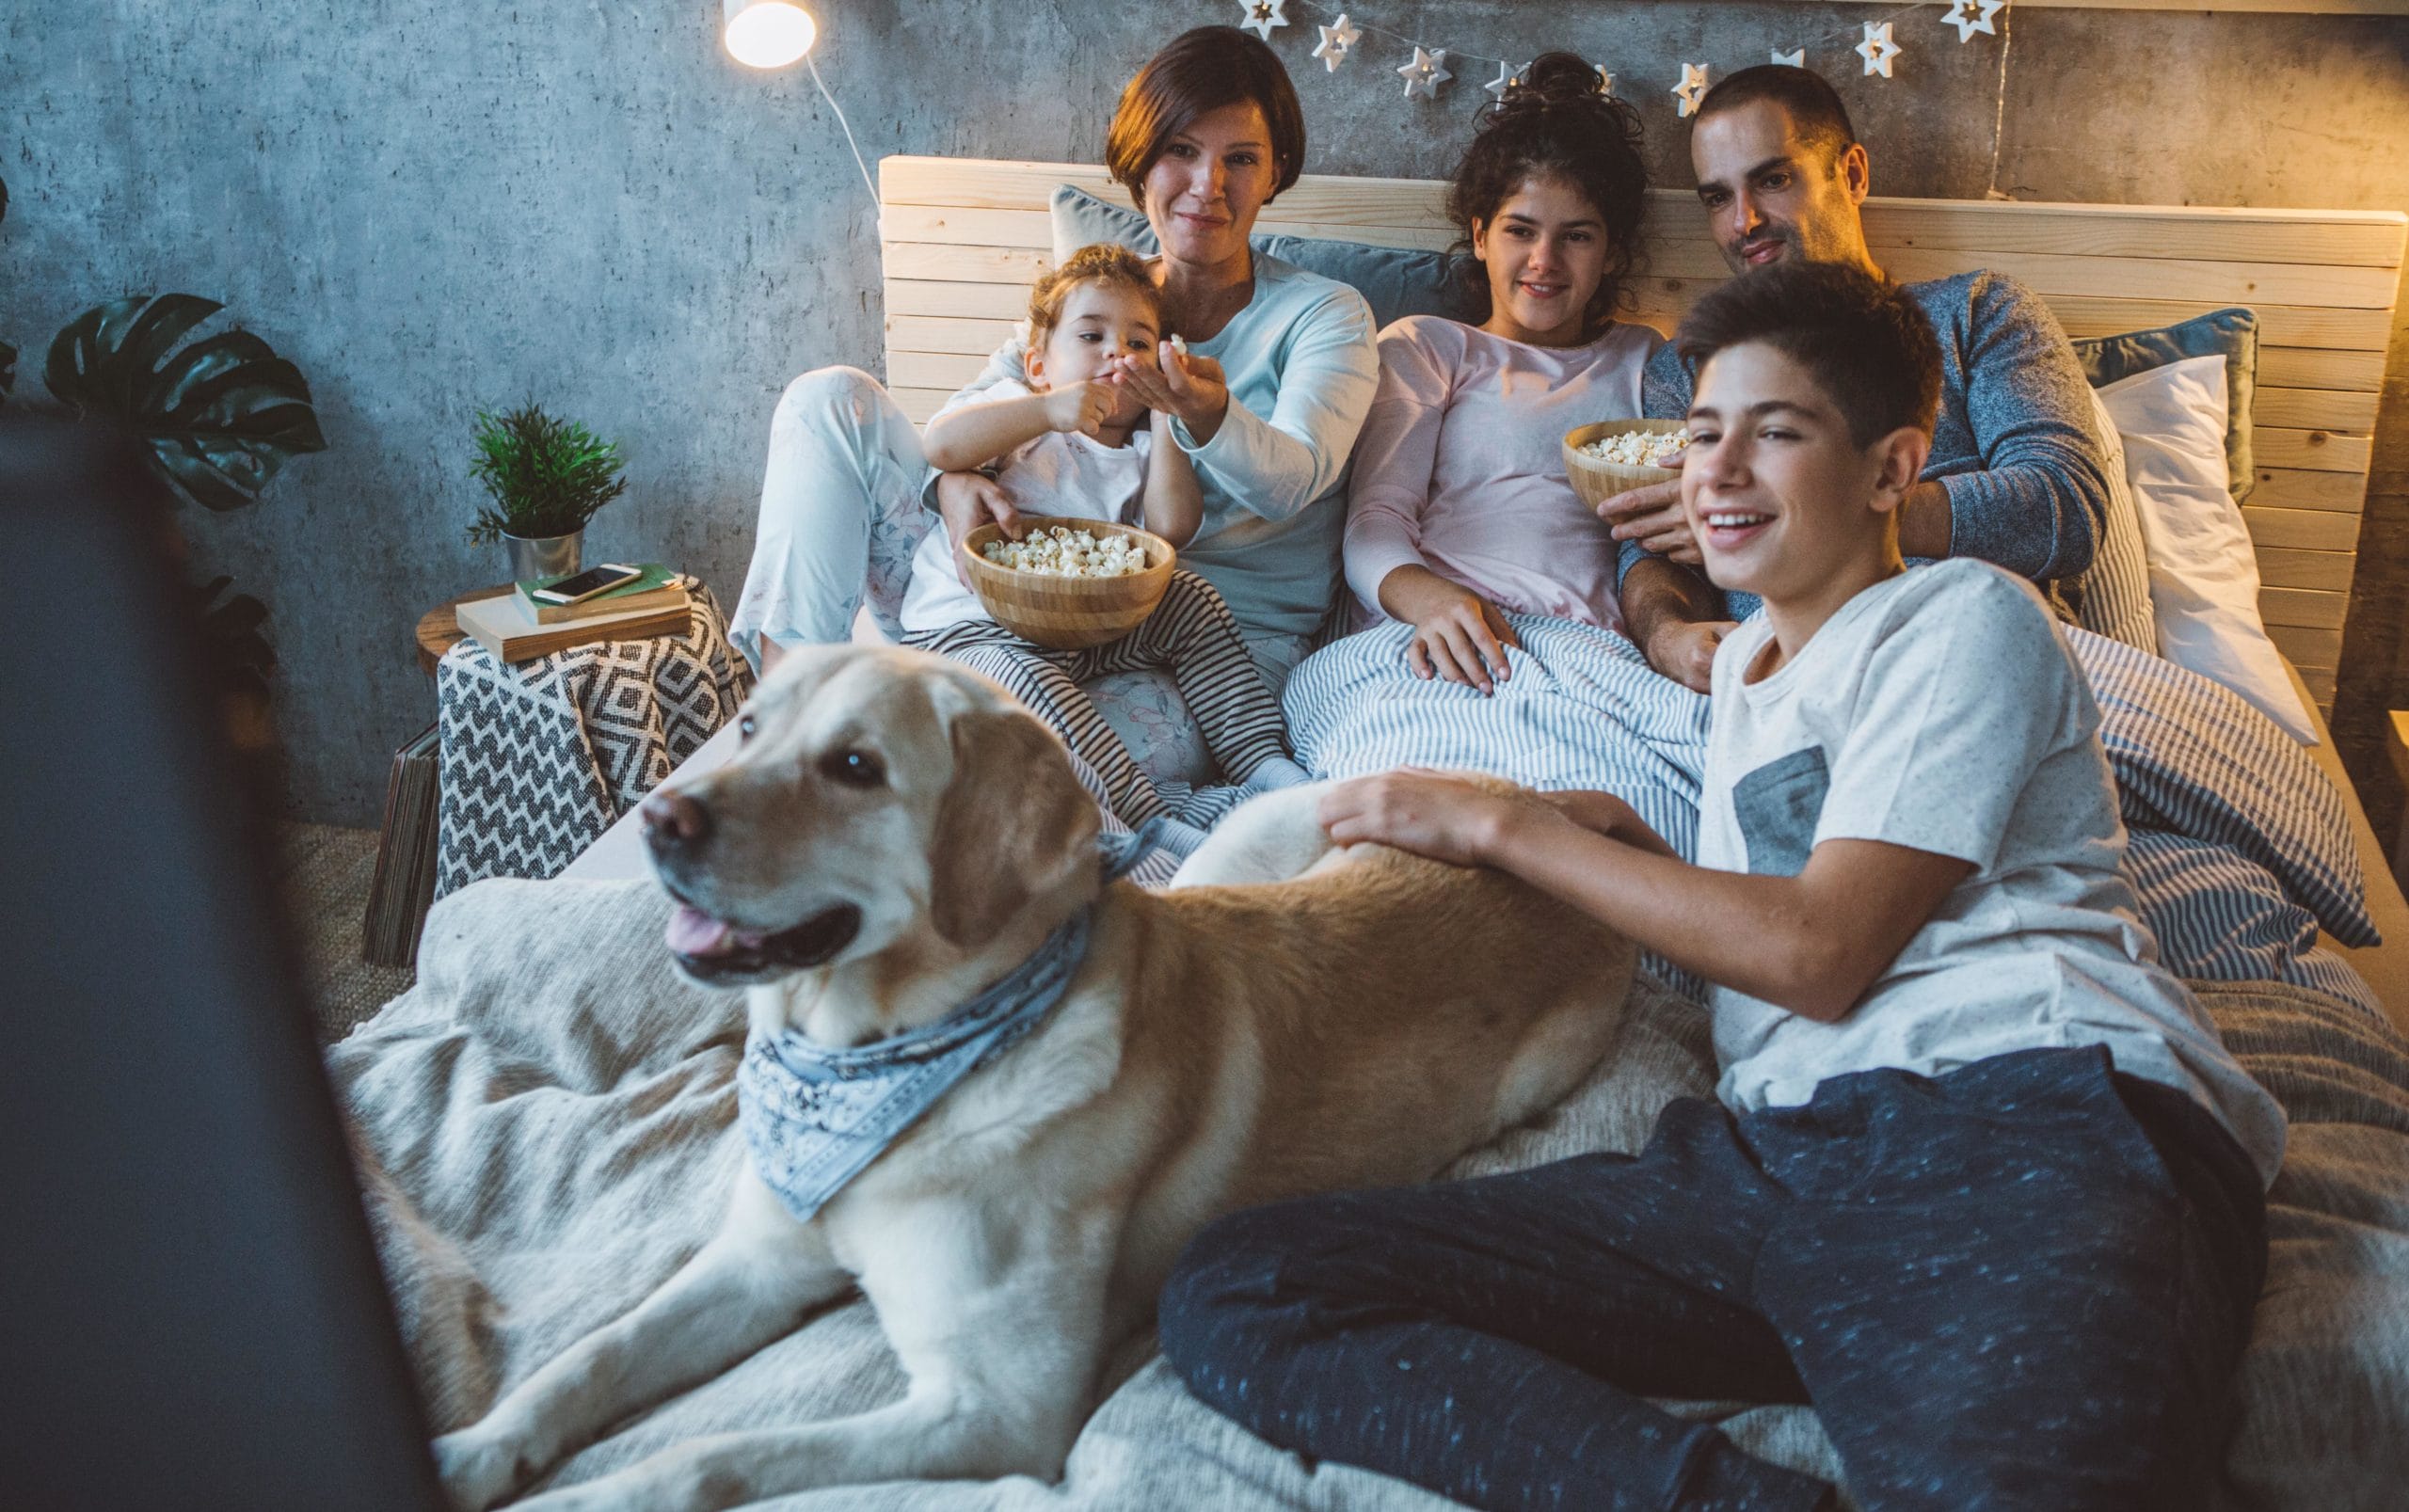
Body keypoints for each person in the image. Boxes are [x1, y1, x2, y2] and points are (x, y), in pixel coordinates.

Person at [1158, 262, 2284, 1512]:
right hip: (1774, 1162)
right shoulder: (1745, 665)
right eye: (1703, 431)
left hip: (2021, 1119)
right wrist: (1631, 847)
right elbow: (1786, 903)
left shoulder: (1966, 615)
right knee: (1242, 1283)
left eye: (1778, 431)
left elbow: (1820, 950)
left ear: (1891, 470)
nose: (1720, 470)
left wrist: (1503, 826)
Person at [729, 24, 1379, 699]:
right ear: (1142, 159)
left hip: (1197, 648)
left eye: (1241, 158)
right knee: (830, 397)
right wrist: (950, 484)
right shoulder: (1098, 300)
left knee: (1009, 750)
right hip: (992, 601)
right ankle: (787, 705)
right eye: (1181, 150)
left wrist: (1207, 414)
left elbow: (1293, 482)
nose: (1207, 184)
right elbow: (962, 422)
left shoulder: (1325, 315)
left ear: (1276, 170)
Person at [1603, 64, 2119, 692]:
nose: (1744, 222)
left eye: (1772, 179)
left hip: (1984, 661)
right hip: (1791, 682)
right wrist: (1667, 636)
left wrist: (1819, 515)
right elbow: (1651, 543)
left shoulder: (1979, 312)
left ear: (1851, 174)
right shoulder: (1689, 363)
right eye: (1718, 197)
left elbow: (2063, 507)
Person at [900, 244, 1307, 837]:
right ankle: (1151, 820)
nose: (1117, 353)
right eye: (1091, 336)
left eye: (1138, 344)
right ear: (1039, 363)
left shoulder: (1141, 451)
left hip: (1089, 629)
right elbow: (942, 448)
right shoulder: (1020, 414)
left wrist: (1168, 412)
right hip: (974, 629)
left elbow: (1172, 528)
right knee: (1030, 695)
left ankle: (1260, 760)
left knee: (1190, 598)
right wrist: (1049, 410)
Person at [1343, 53, 1661, 697]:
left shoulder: (1647, 361)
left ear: (1613, 253)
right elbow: (1376, 517)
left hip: (1588, 651)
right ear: (1481, 235)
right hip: (1435, 626)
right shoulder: (1428, 347)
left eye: (1577, 237)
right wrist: (1431, 599)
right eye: (1521, 230)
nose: (1544, 261)